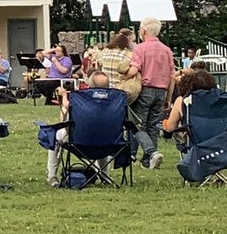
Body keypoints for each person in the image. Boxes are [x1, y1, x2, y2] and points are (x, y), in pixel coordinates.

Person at [45, 71, 112, 187]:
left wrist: (63, 98)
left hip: (78, 141)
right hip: (109, 142)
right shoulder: (116, 100)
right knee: (103, 133)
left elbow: (65, 123)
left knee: (55, 135)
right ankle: (105, 176)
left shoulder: (81, 99)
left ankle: (52, 176)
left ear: (89, 85)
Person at [124, 17, 173, 170]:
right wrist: (169, 97)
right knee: (153, 126)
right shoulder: (166, 50)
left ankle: (152, 152)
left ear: (143, 31)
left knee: (137, 125)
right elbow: (172, 76)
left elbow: (134, 69)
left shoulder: (140, 48)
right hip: (162, 91)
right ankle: (148, 161)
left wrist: (123, 75)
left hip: (145, 90)